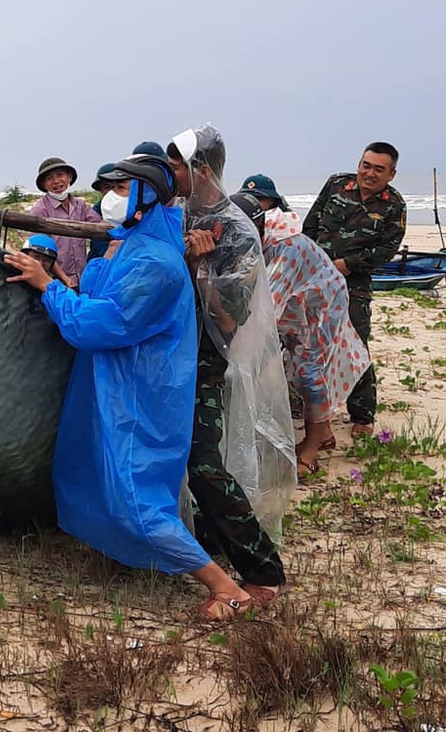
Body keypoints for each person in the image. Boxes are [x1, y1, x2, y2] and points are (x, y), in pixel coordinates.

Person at [4, 153, 266, 619]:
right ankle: (127, 555)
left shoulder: (157, 263)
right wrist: (86, 265)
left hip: (142, 394)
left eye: (121, 190)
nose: (108, 200)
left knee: (136, 495)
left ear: (145, 196)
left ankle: (227, 588)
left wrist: (48, 286)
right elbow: (97, 290)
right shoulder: (130, 244)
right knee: (95, 472)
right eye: (107, 190)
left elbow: (98, 322)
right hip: (114, 385)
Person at [165, 126, 294, 601]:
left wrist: (200, 267)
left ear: (200, 170)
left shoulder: (235, 229)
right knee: (180, 455)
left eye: (176, 166)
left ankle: (261, 571)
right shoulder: (176, 214)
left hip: (204, 360)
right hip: (170, 353)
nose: (169, 174)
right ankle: (207, 540)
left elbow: (230, 319)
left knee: (201, 461)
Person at [302, 142, 407, 440]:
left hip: (353, 283)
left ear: (391, 174)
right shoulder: (336, 184)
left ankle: (362, 415)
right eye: (366, 165)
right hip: (317, 277)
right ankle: (314, 411)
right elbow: (311, 224)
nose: (369, 173)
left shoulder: (394, 205)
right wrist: (312, 259)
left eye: (378, 169)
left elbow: (387, 249)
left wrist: (346, 264)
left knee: (354, 345)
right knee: (310, 342)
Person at [262, 207, 372, 473]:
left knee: (308, 372)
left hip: (322, 304)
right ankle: (323, 434)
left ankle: (311, 450)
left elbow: (267, 307)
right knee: (296, 361)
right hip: (298, 301)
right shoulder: (262, 239)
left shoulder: (285, 247)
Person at [28, 156, 94, 283]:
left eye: (60, 175)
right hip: (56, 280)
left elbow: (99, 225)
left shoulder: (80, 206)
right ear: (43, 184)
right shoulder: (40, 210)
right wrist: (64, 278)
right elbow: (39, 252)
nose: (56, 181)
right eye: (49, 178)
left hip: (83, 277)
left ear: (69, 177)